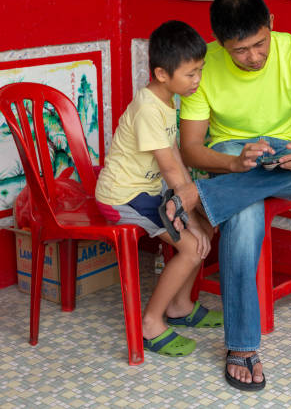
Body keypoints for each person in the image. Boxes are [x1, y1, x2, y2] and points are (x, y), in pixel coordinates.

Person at [161, 0, 291, 390]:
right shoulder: (205, 65)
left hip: (288, 156)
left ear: (272, 26)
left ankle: (206, 198)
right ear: (220, 44)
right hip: (232, 155)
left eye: (259, 44)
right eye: (239, 50)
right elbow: (192, 150)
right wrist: (235, 162)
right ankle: (242, 348)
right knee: (244, 215)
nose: (252, 57)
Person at [95, 20, 223, 358]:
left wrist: (194, 212)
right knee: (193, 245)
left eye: (200, 71)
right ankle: (150, 323)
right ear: (162, 74)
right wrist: (190, 219)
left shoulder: (167, 99)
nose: (198, 80)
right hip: (124, 197)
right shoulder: (149, 108)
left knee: (204, 229)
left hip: (148, 192)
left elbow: (176, 159)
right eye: (191, 74)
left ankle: (180, 305)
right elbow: (169, 169)